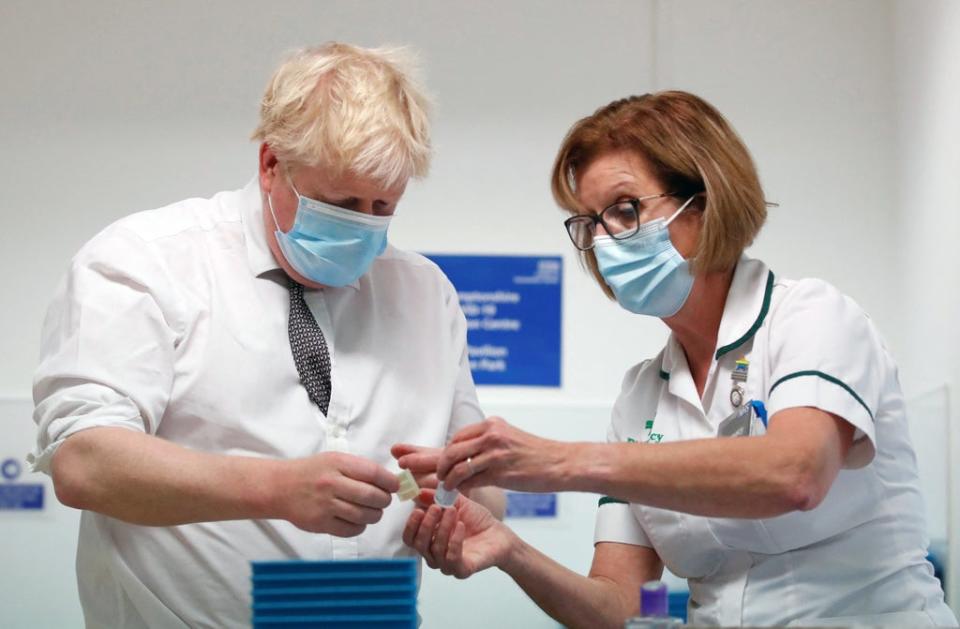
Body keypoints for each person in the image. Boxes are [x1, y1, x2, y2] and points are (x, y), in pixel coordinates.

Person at [399, 91, 958, 627]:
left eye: (623, 210)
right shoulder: (641, 395)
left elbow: (796, 473)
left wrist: (560, 462)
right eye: (590, 223)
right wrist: (510, 551)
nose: (606, 240)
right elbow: (620, 607)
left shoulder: (812, 318)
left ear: (705, 200)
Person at [30, 42, 502, 628]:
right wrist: (275, 487)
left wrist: (455, 511)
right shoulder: (144, 264)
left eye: (383, 206)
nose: (363, 224)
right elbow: (85, 462)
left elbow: (483, 491)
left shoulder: (424, 294)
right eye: (340, 203)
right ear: (271, 164)